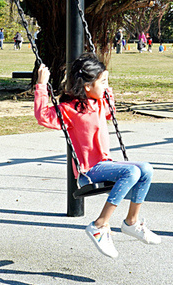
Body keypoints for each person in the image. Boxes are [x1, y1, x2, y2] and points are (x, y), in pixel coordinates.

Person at [33, 54, 162, 258]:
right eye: (101, 82)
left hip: (105, 164)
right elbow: (43, 117)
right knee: (131, 172)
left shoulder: (100, 103)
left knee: (146, 169)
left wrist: (106, 83)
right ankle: (100, 225)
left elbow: (111, 111)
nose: (104, 86)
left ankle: (131, 222)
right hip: (89, 171)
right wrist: (42, 85)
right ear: (87, 86)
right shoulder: (69, 109)